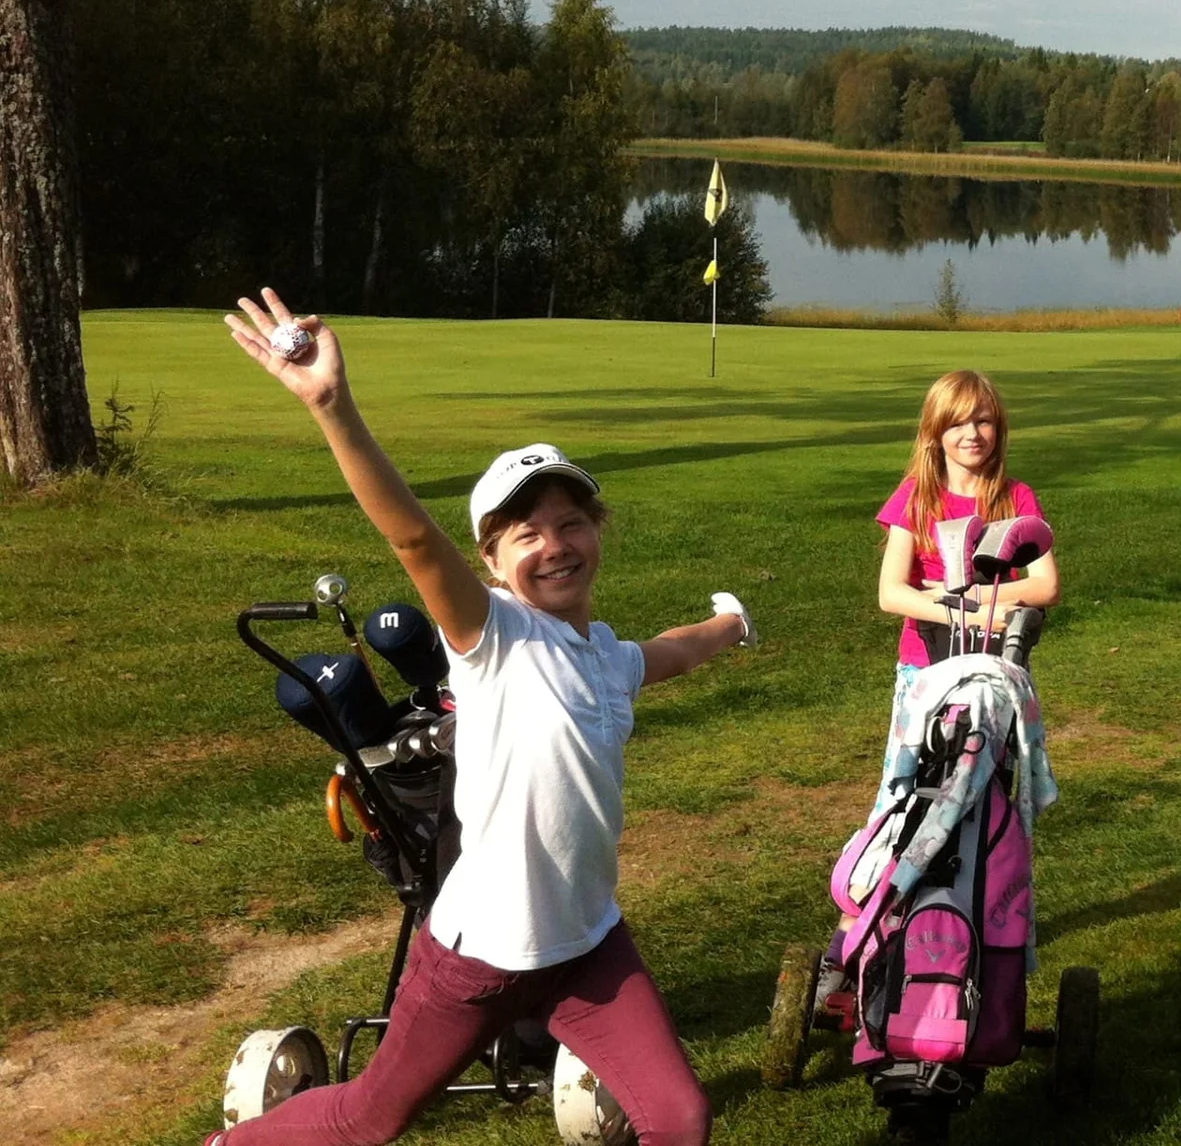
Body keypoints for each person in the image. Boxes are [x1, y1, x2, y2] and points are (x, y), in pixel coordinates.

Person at [211, 290, 752, 1146]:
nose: (555, 543)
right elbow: (413, 540)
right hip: (477, 960)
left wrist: (730, 623)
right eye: (526, 533)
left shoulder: (605, 656)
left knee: (680, 1118)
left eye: (571, 522)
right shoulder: (492, 635)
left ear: (598, 531)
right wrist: (332, 405)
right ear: (492, 561)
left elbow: (672, 650)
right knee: (369, 1118)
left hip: (588, 946)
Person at [874, 371, 1056, 787]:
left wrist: (968, 594)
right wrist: (969, 613)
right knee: (911, 787)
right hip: (926, 668)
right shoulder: (915, 496)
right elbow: (891, 593)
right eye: (956, 423)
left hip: (997, 666)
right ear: (935, 432)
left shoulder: (1016, 497)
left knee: (987, 786)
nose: (972, 434)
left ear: (999, 428)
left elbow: (1046, 585)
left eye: (983, 421)